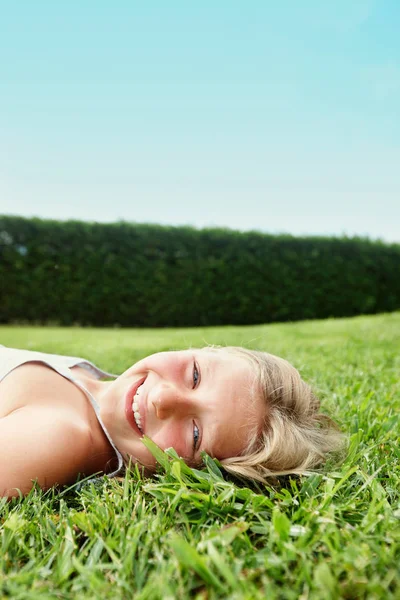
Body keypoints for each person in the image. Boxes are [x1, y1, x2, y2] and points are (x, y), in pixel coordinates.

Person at [0, 344, 344, 498]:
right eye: (194, 374)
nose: (163, 399)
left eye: (195, 434)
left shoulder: (62, 435)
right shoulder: (85, 380)